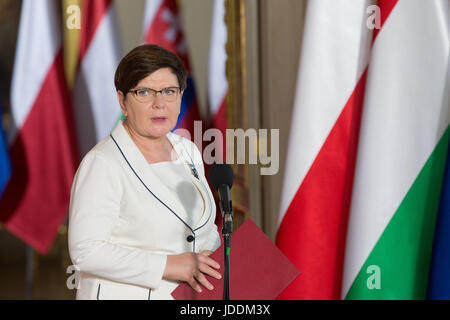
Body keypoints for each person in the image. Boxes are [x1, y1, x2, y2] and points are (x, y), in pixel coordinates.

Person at [68, 44, 222, 300]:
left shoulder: (188, 150)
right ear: (123, 101)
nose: (159, 104)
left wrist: (211, 257)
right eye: (145, 92)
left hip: (191, 299)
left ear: (181, 95)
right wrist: (168, 264)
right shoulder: (102, 162)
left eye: (169, 91)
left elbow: (202, 230)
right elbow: (86, 251)